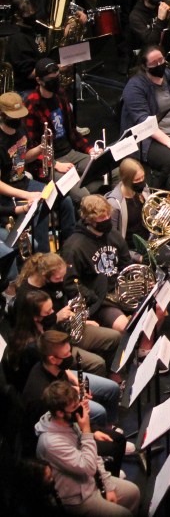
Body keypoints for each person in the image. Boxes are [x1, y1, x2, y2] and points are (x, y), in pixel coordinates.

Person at [35, 380, 141, 517]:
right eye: (75, 407)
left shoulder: (67, 421)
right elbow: (88, 466)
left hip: (88, 480)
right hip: (76, 498)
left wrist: (108, 486)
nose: (80, 409)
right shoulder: (51, 443)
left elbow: (92, 454)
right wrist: (86, 430)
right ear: (60, 413)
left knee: (133, 492)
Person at [14, 254, 119, 375]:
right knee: (98, 363)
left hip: (68, 327)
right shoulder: (26, 297)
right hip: (52, 341)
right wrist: (56, 317)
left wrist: (80, 320)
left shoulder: (53, 282)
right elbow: (32, 331)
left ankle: (114, 377)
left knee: (115, 337)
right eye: (58, 278)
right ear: (44, 275)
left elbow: (65, 307)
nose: (62, 281)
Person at [121, 45, 170, 188]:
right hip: (150, 137)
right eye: (154, 63)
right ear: (145, 66)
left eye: (161, 60)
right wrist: (169, 142)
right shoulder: (134, 87)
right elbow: (144, 122)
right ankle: (159, 191)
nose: (159, 65)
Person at [0, 91, 72, 249]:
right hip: (8, 195)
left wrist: (41, 148)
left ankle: (70, 248)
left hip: (24, 182)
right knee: (40, 208)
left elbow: (22, 158)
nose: (18, 119)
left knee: (65, 200)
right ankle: (43, 257)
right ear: (3, 115)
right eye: (14, 117)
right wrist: (27, 195)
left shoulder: (20, 128)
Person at [25, 58, 102, 204]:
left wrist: (90, 149)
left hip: (70, 153)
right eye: (50, 79)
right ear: (39, 81)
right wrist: (55, 164)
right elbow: (30, 151)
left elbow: (72, 131)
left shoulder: (60, 95)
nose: (55, 81)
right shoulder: (31, 104)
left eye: (57, 77)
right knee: (86, 197)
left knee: (113, 171)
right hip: (49, 162)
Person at [22, 329, 122, 436]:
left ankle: (109, 427)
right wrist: (76, 395)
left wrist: (76, 382)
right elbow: (59, 413)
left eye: (70, 351)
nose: (70, 356)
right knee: (100, 412)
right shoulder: (41, 393)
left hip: (66, 387)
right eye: (66, 354)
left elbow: (63, 371)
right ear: (52, 359)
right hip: (62, 405)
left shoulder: (52, 365)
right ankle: (102, 435)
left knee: (113, 388)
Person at [60, 195, 133, 333]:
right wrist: (94, 297)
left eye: (108, 215)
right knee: (124, 326)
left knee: (156, 308)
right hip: (99, 301)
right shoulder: (73, 247)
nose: (107, 219)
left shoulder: (113, 234)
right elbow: (70, 284)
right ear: (89, 220)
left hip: (120, 291)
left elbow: (126, 264)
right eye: (102, 217)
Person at [105, 158, 170, 275]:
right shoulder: (114, 203)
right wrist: (137, 257)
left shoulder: (144, 190)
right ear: (126, 180)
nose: (142, 182)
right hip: (130, 252)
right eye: (137, 180)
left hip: (150, 243)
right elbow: (112, 242)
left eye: (143, 177)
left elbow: (153, 218)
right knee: (154, 282)